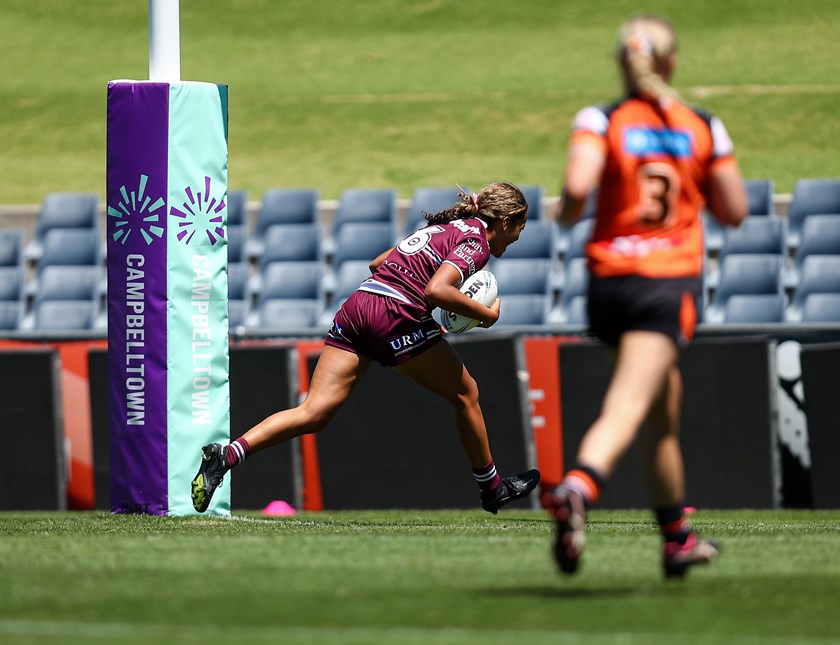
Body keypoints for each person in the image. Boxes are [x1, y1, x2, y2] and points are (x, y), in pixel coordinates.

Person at [192, 181, 541, 515]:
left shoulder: (446, 229)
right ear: (505, 222)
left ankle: (226, 456)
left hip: (360, 305)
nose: (517, 237)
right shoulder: (476, 242)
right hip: (393, 314)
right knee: (466, 394)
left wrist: (421, 313)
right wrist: (485, 315)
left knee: (313, 411)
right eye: (519, 229)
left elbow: (378, 264)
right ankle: (492, 488)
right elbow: (437, 290)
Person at [543, 14, 748, 578]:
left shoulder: (601, 119)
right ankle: (578, 487)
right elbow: (734, 209)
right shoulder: (702, 124)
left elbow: (577, 189)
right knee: (631, 403)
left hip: (609, 282)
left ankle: (676, 539)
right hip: (664, 283)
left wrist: (569, 210)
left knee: (662, 406)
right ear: (672, 62)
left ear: (620, 62)